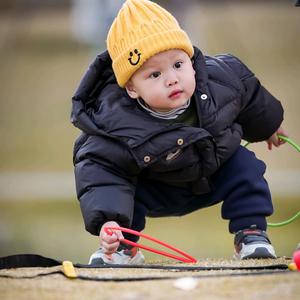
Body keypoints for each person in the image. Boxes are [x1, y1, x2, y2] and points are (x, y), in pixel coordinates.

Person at [71, 0, 288, 264]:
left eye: (178, 65)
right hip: (156, 186)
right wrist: (107, 221)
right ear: (131, 88)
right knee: (123, 187)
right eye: (154, 75)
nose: (172, 79)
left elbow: (249, 95)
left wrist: (268, 126)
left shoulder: (220, 78)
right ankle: (122, 246)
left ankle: (251, 233)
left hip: (212, 173)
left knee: (245, 165)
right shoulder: (114, 123)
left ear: (190, 59)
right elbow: (100, 171)